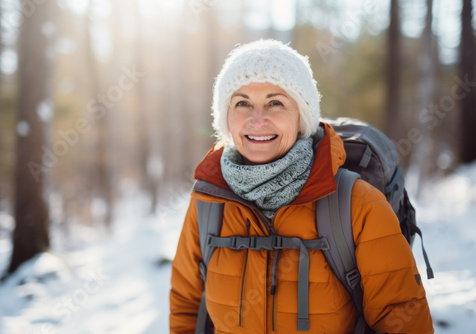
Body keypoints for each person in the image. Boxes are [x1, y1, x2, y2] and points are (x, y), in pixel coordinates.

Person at [170, 39, 434, 334]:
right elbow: (186, 305)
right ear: (226, 118)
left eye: (276, 102)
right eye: (242, 103)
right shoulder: (207, 201)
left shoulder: (357, 203)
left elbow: (402, 319)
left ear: (302, 117)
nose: (257, 121)